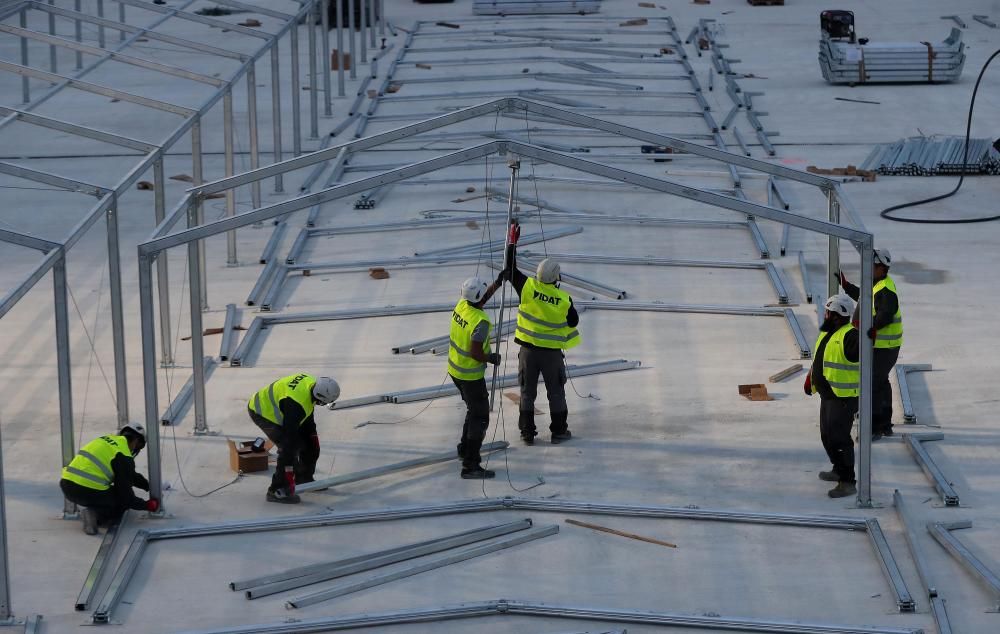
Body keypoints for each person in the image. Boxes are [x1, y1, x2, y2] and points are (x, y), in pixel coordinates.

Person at [498, 224, 581, 444]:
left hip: (527, 352)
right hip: (551, 355)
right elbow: (573, 321)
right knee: (556, 393)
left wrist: (512, 242)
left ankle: (527, 433)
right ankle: (559, 432)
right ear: (556, 277)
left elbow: (510, 268)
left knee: (527, 392)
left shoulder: (526, 286)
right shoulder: (564, 300)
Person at [837, 248, 902, 439]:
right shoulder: (877, 284)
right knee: (880, 382)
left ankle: (873, 427)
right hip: (884, 346)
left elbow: (886, 314)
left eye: (872, 266)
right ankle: (884, 424)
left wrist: (872, 327)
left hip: (885, 347)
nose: (869, 269)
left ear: (882, 268)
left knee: (872, 384)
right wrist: (847, 286)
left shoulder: (885, 289)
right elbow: (865, 298)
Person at [248, 373, 340, 504]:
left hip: (288, 407)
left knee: (312, 444)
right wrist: (289, 448)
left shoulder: (312, 385)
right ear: (320, 397)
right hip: (262, 411)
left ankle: (304, 478)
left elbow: (308, 414)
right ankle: (276, 490)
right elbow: (289, 435)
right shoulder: (296, 405)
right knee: (289, 449)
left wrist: (311, 436)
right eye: (325, 402)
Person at [804, 294, 861, 499]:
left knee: (839, 438)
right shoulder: (828, 332)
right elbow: (820, 357)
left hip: (843, 397)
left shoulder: (850, 335)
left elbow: (860, 352)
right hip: (828, 395)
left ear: (838, 314)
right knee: (827, 436)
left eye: (829, 312)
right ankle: (838, 468)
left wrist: (868, 337)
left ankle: (847, 481)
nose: (825, 315)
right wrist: (811, 377)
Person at [448, 275, 505, 479]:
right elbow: (475, 353)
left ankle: (464, 449)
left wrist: (497, 284)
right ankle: (470, 465)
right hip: (470, 376)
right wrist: (490, 357)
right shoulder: (480, 322)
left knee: (473, 410)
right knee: (480, 417)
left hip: (456, 371)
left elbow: (479, 299)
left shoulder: (462, 304)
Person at [59, 424, 158, 535]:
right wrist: (146, 505)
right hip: (86, 491)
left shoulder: (105, 440)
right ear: (135, 441)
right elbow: (127, 497)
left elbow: (129, 475)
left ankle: (93, 509)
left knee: (111, 492)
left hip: (67, 485)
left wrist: (147, 485)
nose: (136, 450)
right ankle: (96, 516)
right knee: (121, 502)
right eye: (139, 447)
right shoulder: (124, 454)